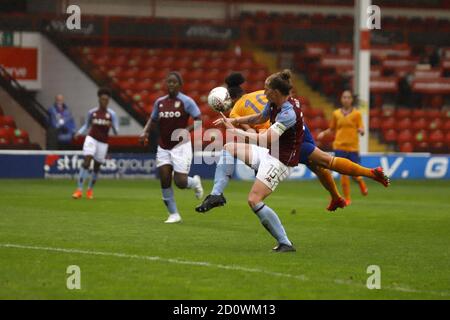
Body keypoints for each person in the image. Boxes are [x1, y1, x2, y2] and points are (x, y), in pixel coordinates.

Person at [212, 70, 304, 252]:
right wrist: (235, 120)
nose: (264, 92)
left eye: (266, 89)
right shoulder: (273, 102)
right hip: (271, 153)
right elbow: (259, 118)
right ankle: (216, 193)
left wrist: (236, 131)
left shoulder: (288, 113)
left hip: (281, 161)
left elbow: (266, 139)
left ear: (276, 92)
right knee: (230, 148)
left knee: (254, 199)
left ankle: (285, 243)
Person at [139, 71, 204, 224]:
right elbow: (153, 119)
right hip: (163, 146)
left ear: (180, 85)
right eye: (169, 82)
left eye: (174, 82)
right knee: (164, 178)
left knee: (180, 182)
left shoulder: (186, 101)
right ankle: (173, 214)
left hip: (181, 146)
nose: (171, 85)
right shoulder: (160, 102)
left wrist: (185, 131)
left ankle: (194, 183)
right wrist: (145, 132)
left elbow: (199, 120)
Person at [318, 90, 368, 206]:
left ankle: (360, 181)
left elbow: (362, 128)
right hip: (339, 146)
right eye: (344, 97)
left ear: (351, 100)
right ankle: (347, 198)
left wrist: (361, 131)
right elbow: (332, 129)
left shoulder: (357, 114)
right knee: (343, 173)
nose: (346, 99)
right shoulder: (336, 114)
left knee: (355, 174)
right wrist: (323, 134)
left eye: (348, 97)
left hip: (353, 147)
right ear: (341, 99)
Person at [72, 88, 119, 200]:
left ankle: (89, 190)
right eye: (103, 99)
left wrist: (112, 126)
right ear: (99, 100)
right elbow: (86, 125)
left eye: (106, 100)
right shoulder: (92, 112)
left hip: (103, 143)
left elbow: (117, 131)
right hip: (91, 138)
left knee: (97, 167)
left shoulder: (112, 114)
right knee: (87, 161)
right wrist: (78, 133)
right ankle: (79, 190)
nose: (104, 101)